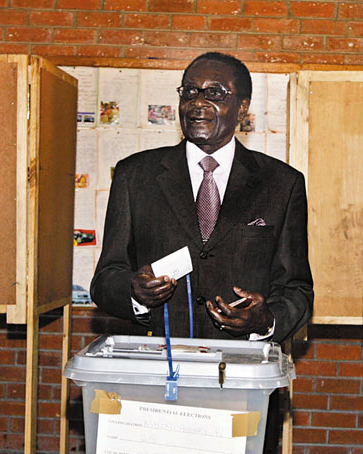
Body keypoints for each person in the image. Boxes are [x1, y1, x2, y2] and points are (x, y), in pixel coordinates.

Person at [91, 52, 313, 343]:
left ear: (242, 108)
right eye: (189, 92)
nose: (197, 103)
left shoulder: (282, 183)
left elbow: (297, 290)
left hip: (242, 362)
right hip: (159, 359)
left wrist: (265, 321)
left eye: (214, 93)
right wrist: (134, 292)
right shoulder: (135, 175)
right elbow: (106, 279)